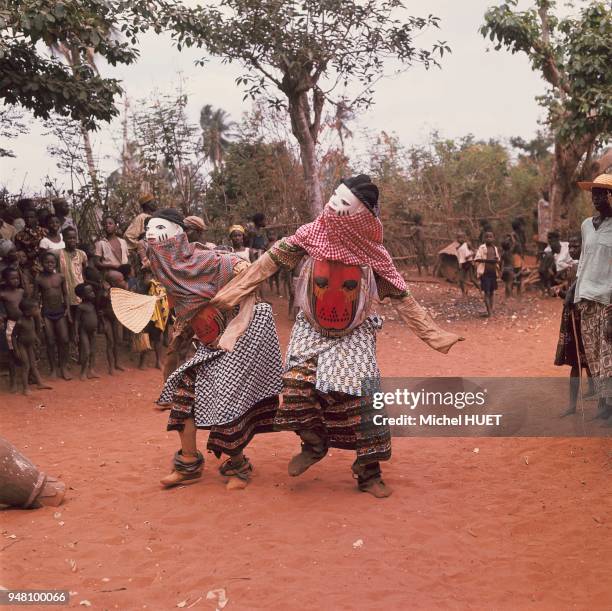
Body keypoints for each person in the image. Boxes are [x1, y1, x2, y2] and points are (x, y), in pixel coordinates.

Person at [209, 175, 463, 498]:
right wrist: (226, 297)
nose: (332, 208)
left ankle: (368, 471)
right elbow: (267, 265)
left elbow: (403, 299)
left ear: (359, 217)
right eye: (334, 200)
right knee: (296, 387)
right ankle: (314, 444)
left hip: (354, 333)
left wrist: (435, 335)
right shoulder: (308, 236)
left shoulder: (374, 255)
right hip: (310, 329)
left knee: (365, 398)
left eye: (342, 205)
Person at [141, 208, 283, 490]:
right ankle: (189, 464)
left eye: (160, 239)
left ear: (176, 239)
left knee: (227, 396)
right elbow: (188, 313)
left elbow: (240, 269)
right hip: (211, 341)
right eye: (152, 244)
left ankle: (238, 465)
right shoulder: (170, 276)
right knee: (185, 393)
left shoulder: (208, 260)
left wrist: (237, 295)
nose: (155, 249)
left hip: (244, 335)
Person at [574, 174, 612, 420]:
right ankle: (602, 401)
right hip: (586, 296)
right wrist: (573, 289)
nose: (597, 197)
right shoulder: (587, 225)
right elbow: (584, 260)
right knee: (594, 354)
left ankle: (609, 405)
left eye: (602, 192)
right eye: (594, 193)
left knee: (609, 352)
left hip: (608, 298)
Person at [554, 235, 590, 416]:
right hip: (572, 319)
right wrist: (561, 293)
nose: (574, 249)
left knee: (591, 361)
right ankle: (572, 405)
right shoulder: (572, 268)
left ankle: (601, 403)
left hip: (586, 318)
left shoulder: (588, 266)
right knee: (576, 362)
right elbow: (570, 297)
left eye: (577, 246)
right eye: (571, 246)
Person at [35, 251, 71, 380]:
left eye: (52, 262)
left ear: (55, 263)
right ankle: (53, 369)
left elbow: (65, 294)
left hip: (60, 311)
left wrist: (67, 308)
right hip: (47, 313)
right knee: (50, 341)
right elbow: (36, 298)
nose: (49, 264)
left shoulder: (60, 277)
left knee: (65, 339)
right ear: (41, 263)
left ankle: (64, 367)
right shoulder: (39, 279)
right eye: (46, 262)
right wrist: (38, 315)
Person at [12, 298, 52, 395]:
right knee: (26, 366)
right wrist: (16, 349)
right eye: (36, 309)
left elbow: (32, 331)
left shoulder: (31, 319)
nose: (38, 310)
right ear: (27, 311)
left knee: (33, 365)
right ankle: (25, 388)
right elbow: (13, 336)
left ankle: (40, 383)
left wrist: (36, 339)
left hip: (30, 345)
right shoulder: (20, 322)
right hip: (22, 346)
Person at [138, 270, 169, 370]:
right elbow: (144, 288)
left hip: (160, 315)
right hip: (148, 314)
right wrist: (149, 272)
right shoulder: (148, 282)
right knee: (145, 337)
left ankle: (159, 361)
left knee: (158, 339)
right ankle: (142, 362)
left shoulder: (164, 282)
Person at [0, 267, 25, 392]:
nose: (16, 281)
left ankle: (28, 379)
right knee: (12, 353)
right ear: (5, 280)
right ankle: (13, 381)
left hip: (24, 324)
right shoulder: (3, 294)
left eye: (17, 278)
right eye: (12, 278)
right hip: (11, 324)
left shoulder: (21, 291)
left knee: (25, 351)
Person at [57, 228, 88, 322]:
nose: (72, 240)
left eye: (74, 238)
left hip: (80, 291)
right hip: (65, 291)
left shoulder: (82, 254)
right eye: (69, 238)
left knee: (81, 319)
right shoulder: (59, 253)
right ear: (64, 239)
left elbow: (85, 271)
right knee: (69, 318)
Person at [73, 283, 100, 380]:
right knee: (86, 352)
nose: (93, 293)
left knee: (93, 351)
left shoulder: (93, 305)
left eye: (92, 291)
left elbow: (96, 316)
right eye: (90, 292)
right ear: (83, 296)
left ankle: (91, 370)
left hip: (93, 331)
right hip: (84, 331)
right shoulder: (81, 307)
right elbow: (76, 320)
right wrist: (76, 333)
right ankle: (83, 372)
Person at [474, 231, 500, 317]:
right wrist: (487, 261)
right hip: (484, 273)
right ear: (484, 239)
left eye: (491, 237)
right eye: (487, 237)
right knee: (487, 292)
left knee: (492, 292)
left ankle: (491, 310)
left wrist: (496, 259)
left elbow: (498, 259)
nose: (489, 238)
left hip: (493, 272)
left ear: (493, 238)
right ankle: (489, 312)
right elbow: (477, 259)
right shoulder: (481, 248)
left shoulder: (495, 248)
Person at [14, 208, 46, 274]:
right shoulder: (19, 235)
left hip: (46, 263)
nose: (28, 219)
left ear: (36, 218)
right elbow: (19, 253)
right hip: (29, 267)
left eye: (31, 217)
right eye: (26, 217)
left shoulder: (44, 231)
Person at [455, 231, 478, 297]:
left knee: (472, 279)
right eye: (458, 238)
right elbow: (459, 257)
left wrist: (470, 255)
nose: (459, 239)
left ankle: (480, 291)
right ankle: (463, 293)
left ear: (464, 238)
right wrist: (459, 264)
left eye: (461, 237)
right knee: (461, 279)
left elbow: (475, 251)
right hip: (463, 264)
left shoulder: (468, 244)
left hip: (469, 263)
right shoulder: (458, 247)